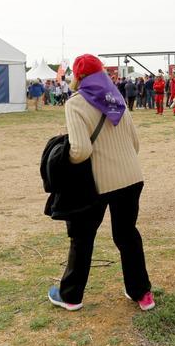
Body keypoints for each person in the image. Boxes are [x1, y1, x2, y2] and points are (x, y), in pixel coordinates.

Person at [47, 54, 154, 312]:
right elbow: (135, 144)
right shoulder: (116, 98)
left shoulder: (76, 103)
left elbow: (81, 150)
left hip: (97, 183)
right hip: (131, 177)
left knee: (83, 238)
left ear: (78, 77)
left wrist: (66, 160)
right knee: (127, 235)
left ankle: (71, 296)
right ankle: (141, 294)